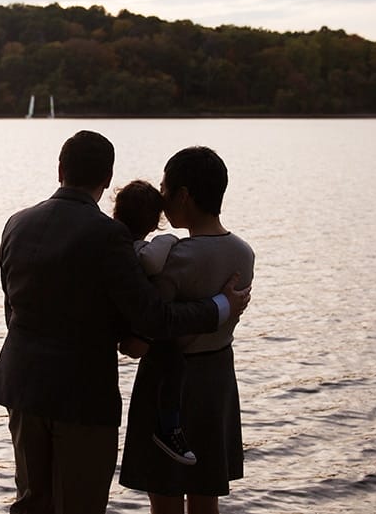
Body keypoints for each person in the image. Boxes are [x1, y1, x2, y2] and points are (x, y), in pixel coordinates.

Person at [0, 131, 251, 514]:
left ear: (60, 170)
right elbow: (153, 318)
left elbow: (12, 308)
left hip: (20, 385)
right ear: (107, 178)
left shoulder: (17, 223)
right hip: (81, 395)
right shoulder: (109, 236)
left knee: (32, 503)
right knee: (81, 505)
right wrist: (220, 305)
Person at [119, 146, 255, 514]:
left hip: (169, 383)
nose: (161, 201)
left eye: (165, 190)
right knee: (205, 494)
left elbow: (141, 336)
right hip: (217, 378)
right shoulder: (244, 253)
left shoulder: (177, 258)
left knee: (164, 497)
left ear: (183, 195)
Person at [113, 180, 197, 467]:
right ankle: (169, 427)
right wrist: (170, 239)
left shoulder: (114, 241)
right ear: (153, 223)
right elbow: (152, 263)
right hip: (139, 324)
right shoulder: (137, 248)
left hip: (127, 323)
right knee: (175, 365)